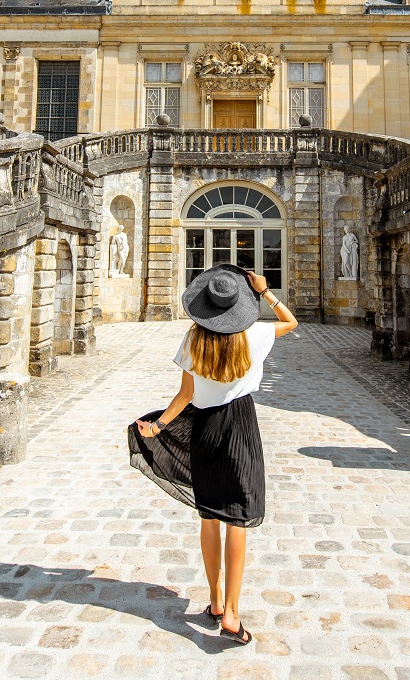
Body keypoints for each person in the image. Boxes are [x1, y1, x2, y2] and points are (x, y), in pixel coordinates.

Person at [127, 265, 298, 646]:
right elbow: (291, 321)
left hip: (204, 428)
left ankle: (216, 601)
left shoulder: (194, 340)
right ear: (240, 304)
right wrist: (266, 291)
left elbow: (184, 396)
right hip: (240, 426)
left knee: (209, 517)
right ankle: (233, 614)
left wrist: (157, 427)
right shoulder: (255, 334)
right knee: (237, 518)